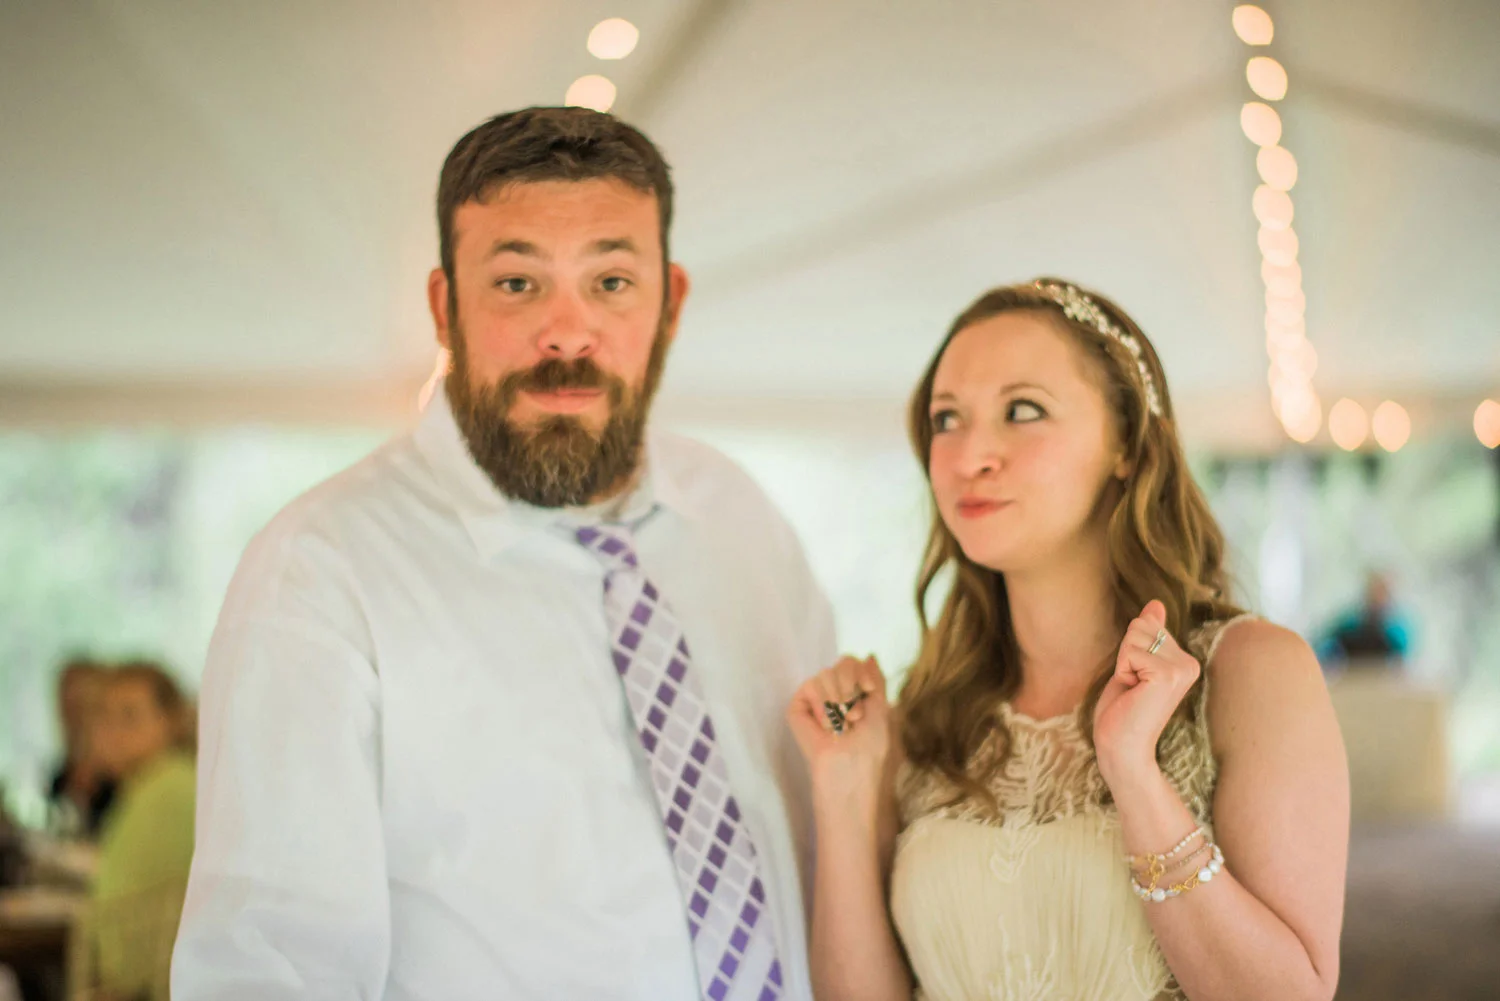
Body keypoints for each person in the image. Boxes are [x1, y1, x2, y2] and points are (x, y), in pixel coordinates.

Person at [172, 108, 834, 1001]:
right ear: (445, 307)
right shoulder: (319, 574)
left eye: (611, 281)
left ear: (670, 304)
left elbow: (826, 834)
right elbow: (269, 974)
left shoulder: (740, 518)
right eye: (518, 283)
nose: (567, 333)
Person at [789, 279, 1350, 1001]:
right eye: (946, 418)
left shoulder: (1253, 674)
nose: (970, 455)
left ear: (1126, 443)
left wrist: (1135, 775)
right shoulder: (923, 721)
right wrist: (842, 793)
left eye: (1023, 410)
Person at [83, 661, 196, 1001]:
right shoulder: (157, 783)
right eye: (104, 717)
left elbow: (120, 951)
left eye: (129, 716)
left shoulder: (168, 789)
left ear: (171, 721)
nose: (113, 732)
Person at [47, 658, 116, 837]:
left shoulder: (122, 776)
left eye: (81, 704)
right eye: (66, 703)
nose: (73, 715)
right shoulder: (62, 772)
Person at [1316, 571, 1412, 665]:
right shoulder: (1350, 623)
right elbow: (1326, 644)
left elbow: (1403, 657)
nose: (1378, 596)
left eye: (1383, 591)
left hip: (1383, 673)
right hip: (1352, 672)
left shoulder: (1396, 628)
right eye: (1374, 590)